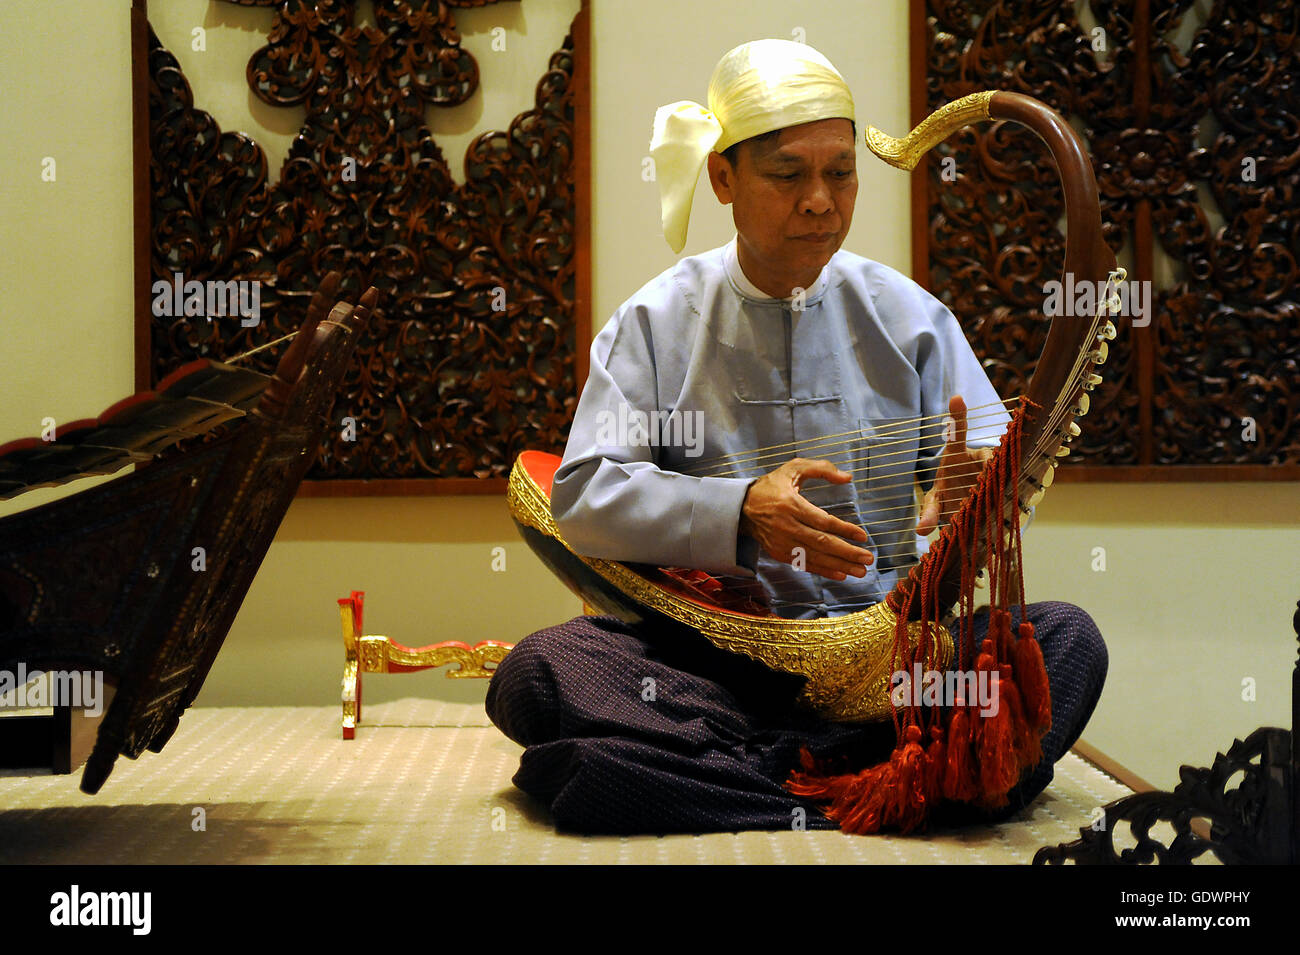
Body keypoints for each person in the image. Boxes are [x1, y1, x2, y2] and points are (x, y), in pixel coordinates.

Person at [486, 39, 1107, 834]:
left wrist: (974, 491)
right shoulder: (655, 322)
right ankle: (878, 786)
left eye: (841, 172)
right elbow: (582, 498)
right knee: (541, 671)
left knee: (1064, 640)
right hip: (721, 666)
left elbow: (987, 483)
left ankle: (738, 786)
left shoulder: (911, 317)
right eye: (789, 174)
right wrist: (741, 510)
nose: (821, 199)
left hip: (893, 667)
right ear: (722, 177)